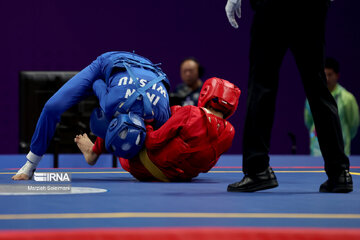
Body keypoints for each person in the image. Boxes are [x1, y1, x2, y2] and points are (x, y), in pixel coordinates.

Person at [225, 0, 353, 193]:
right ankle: (339, 173)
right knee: (318, 87)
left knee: (261, 85)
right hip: (311, 8)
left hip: (273, 7)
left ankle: (258, 169)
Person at [12, 51, 171, 180]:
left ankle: (93, 151)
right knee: (52, 107)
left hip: (150, 68)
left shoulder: (164, 116)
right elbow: (97, 83)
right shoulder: (111, 105)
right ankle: (30, 164)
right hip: (108, 62)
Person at [75, 77, 241, 182]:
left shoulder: (191, 113)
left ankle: (93, 152)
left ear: (207, 93)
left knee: (123, 112)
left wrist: (148, 121)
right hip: (182, 178)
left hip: (145, 167)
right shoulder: (230, 132)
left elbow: (152, 142)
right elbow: (206, 167)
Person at [305, 57, 359, 156]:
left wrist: (343, 138)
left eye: (330, 74)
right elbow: (309, 121)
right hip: (316, 154)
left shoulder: (347, 98)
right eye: (324, 74)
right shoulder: (313, 96)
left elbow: (353, 126)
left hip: (341, 153)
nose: (327, 78)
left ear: (337, 75)